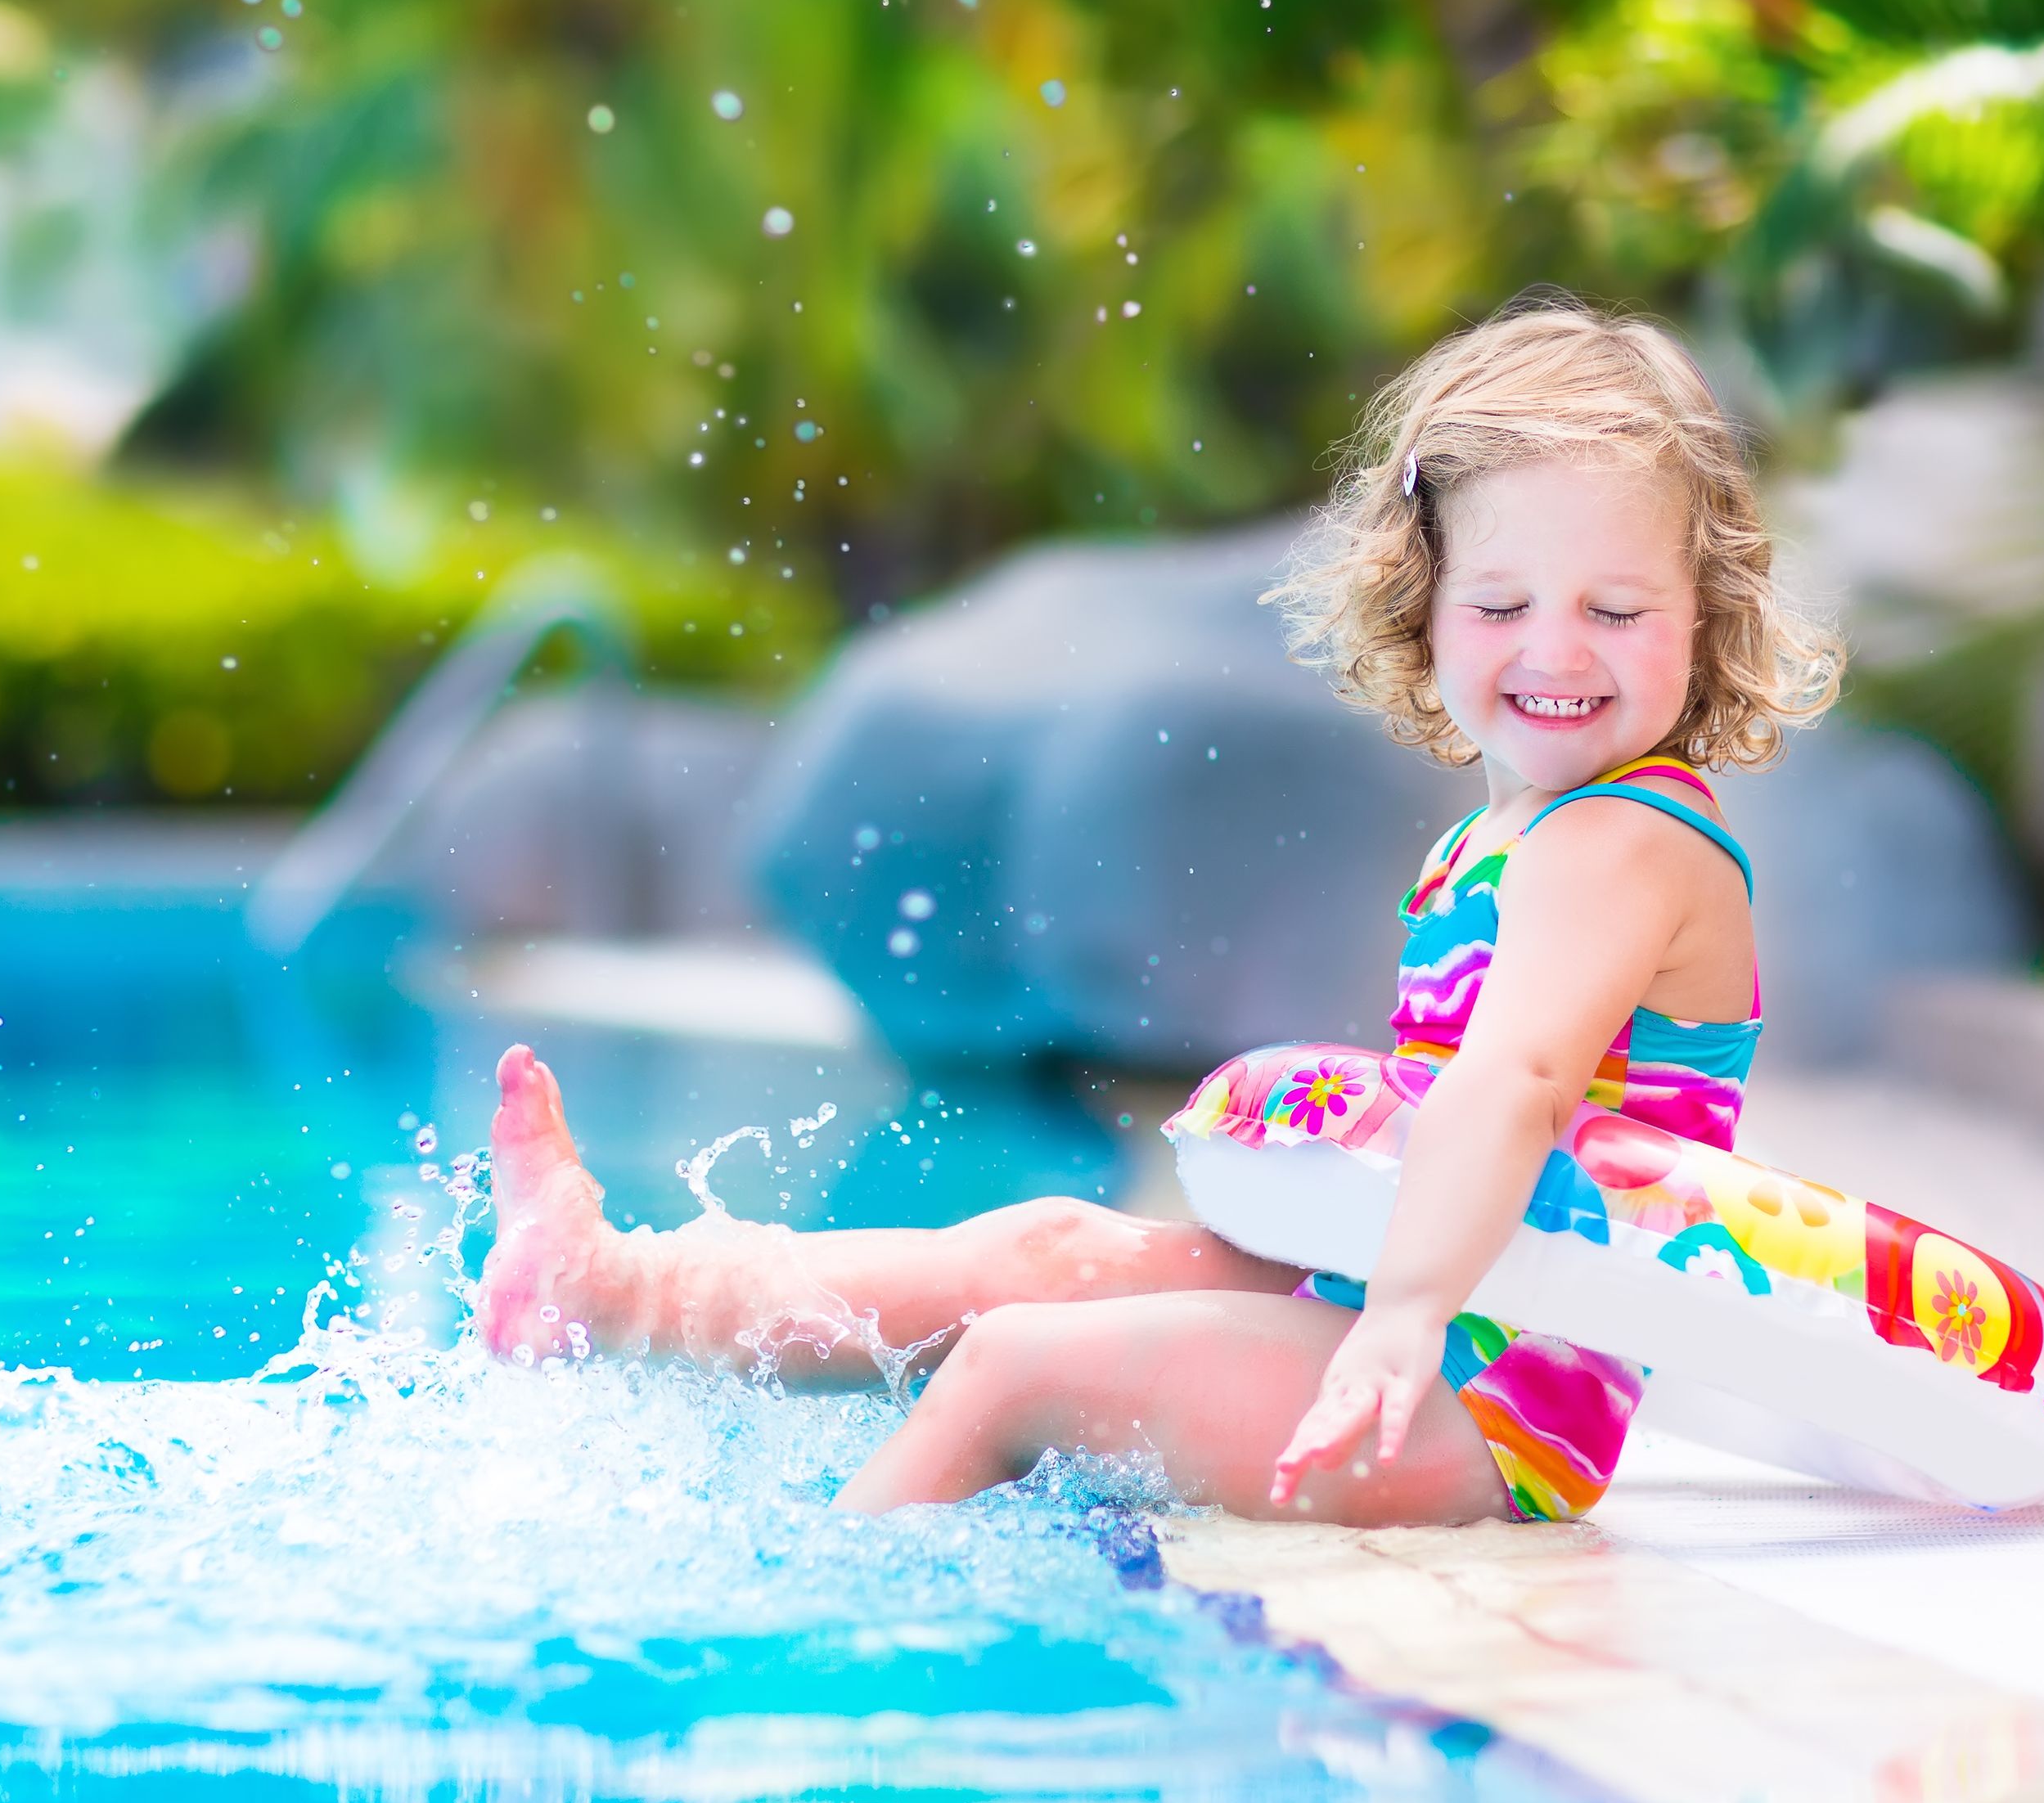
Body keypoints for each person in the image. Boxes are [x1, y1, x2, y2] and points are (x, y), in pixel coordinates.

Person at [475, 293, 1839, 1524]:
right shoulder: (1508, 833)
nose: (1555, 649)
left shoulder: (1623, 841)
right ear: (1425, 604)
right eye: (1501, 602)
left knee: (1016, 1365)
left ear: (1706, 617)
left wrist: (1403, 1315)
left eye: (1615, 608)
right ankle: (612, 1288)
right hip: (1405, 1304)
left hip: (1491, 1393)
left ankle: (816, 1655)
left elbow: (1516, 1086)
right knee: (1041, 1247)